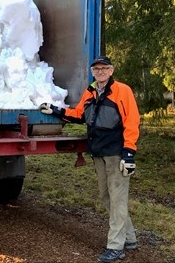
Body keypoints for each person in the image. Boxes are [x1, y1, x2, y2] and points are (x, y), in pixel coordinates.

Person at [39, 55, 140, 263]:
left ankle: (116, 247)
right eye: (96, 69)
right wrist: (56, 111)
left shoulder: (122, 91)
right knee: (107, 196)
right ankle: (129, 238)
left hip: (116, 153)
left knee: (118, 199)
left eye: (104, 69)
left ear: (111, 70)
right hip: (98, 153)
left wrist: (129, 154)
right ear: (93, 72)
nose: (100, 72)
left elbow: (132, 122)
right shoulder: (91, 91)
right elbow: (79, 114)